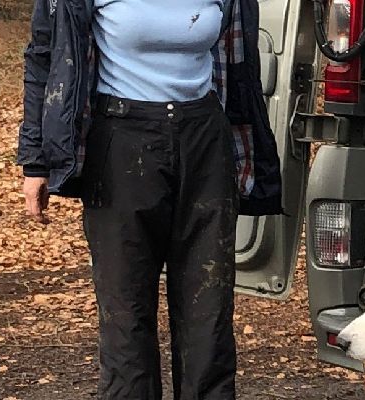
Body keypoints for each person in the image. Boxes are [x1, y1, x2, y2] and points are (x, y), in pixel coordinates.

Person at [16, 0, 284, 398]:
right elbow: (43, 56)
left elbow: (240, 64)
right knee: (126, 312)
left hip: (205, 142)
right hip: (120, 141)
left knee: (208, 312)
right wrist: (35, 161)